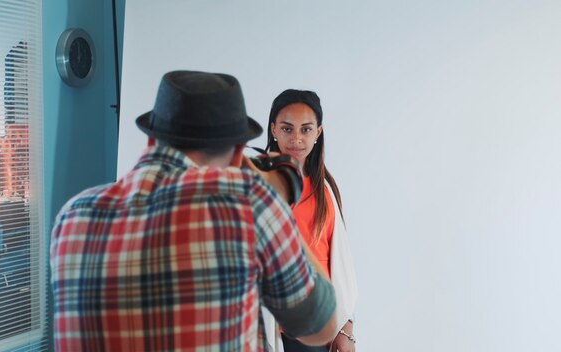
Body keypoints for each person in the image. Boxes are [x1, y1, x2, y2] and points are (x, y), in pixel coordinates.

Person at [50, 71, 340, 351]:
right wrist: (277, 199)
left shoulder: (72, 216)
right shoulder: (251, 204)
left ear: (153, 139)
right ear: (239, 153)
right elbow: (322, 325)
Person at [264, 89, 359, 352]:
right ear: (274, 130)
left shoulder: (324, 192)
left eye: (305, 130)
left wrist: (346, 328)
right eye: (287, 129)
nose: (296, 138)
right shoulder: (259, 186)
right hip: (266, 324)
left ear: (318, 133)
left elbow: (337, 264)